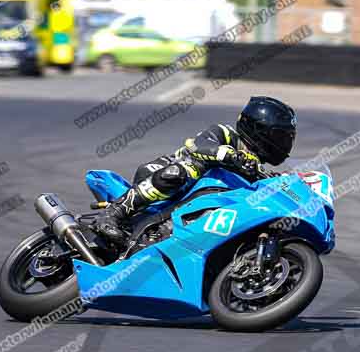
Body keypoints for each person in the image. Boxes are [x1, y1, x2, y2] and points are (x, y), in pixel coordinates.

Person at [93, 96, 297, 243]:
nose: (285, 143)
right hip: (165, 175)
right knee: (188, 169)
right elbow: (197, 145)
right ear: (260, 129)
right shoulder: (225, 133)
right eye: (281, 137)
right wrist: (230, 155)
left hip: (196, 204)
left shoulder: (258, 169)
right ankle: (113, 214)